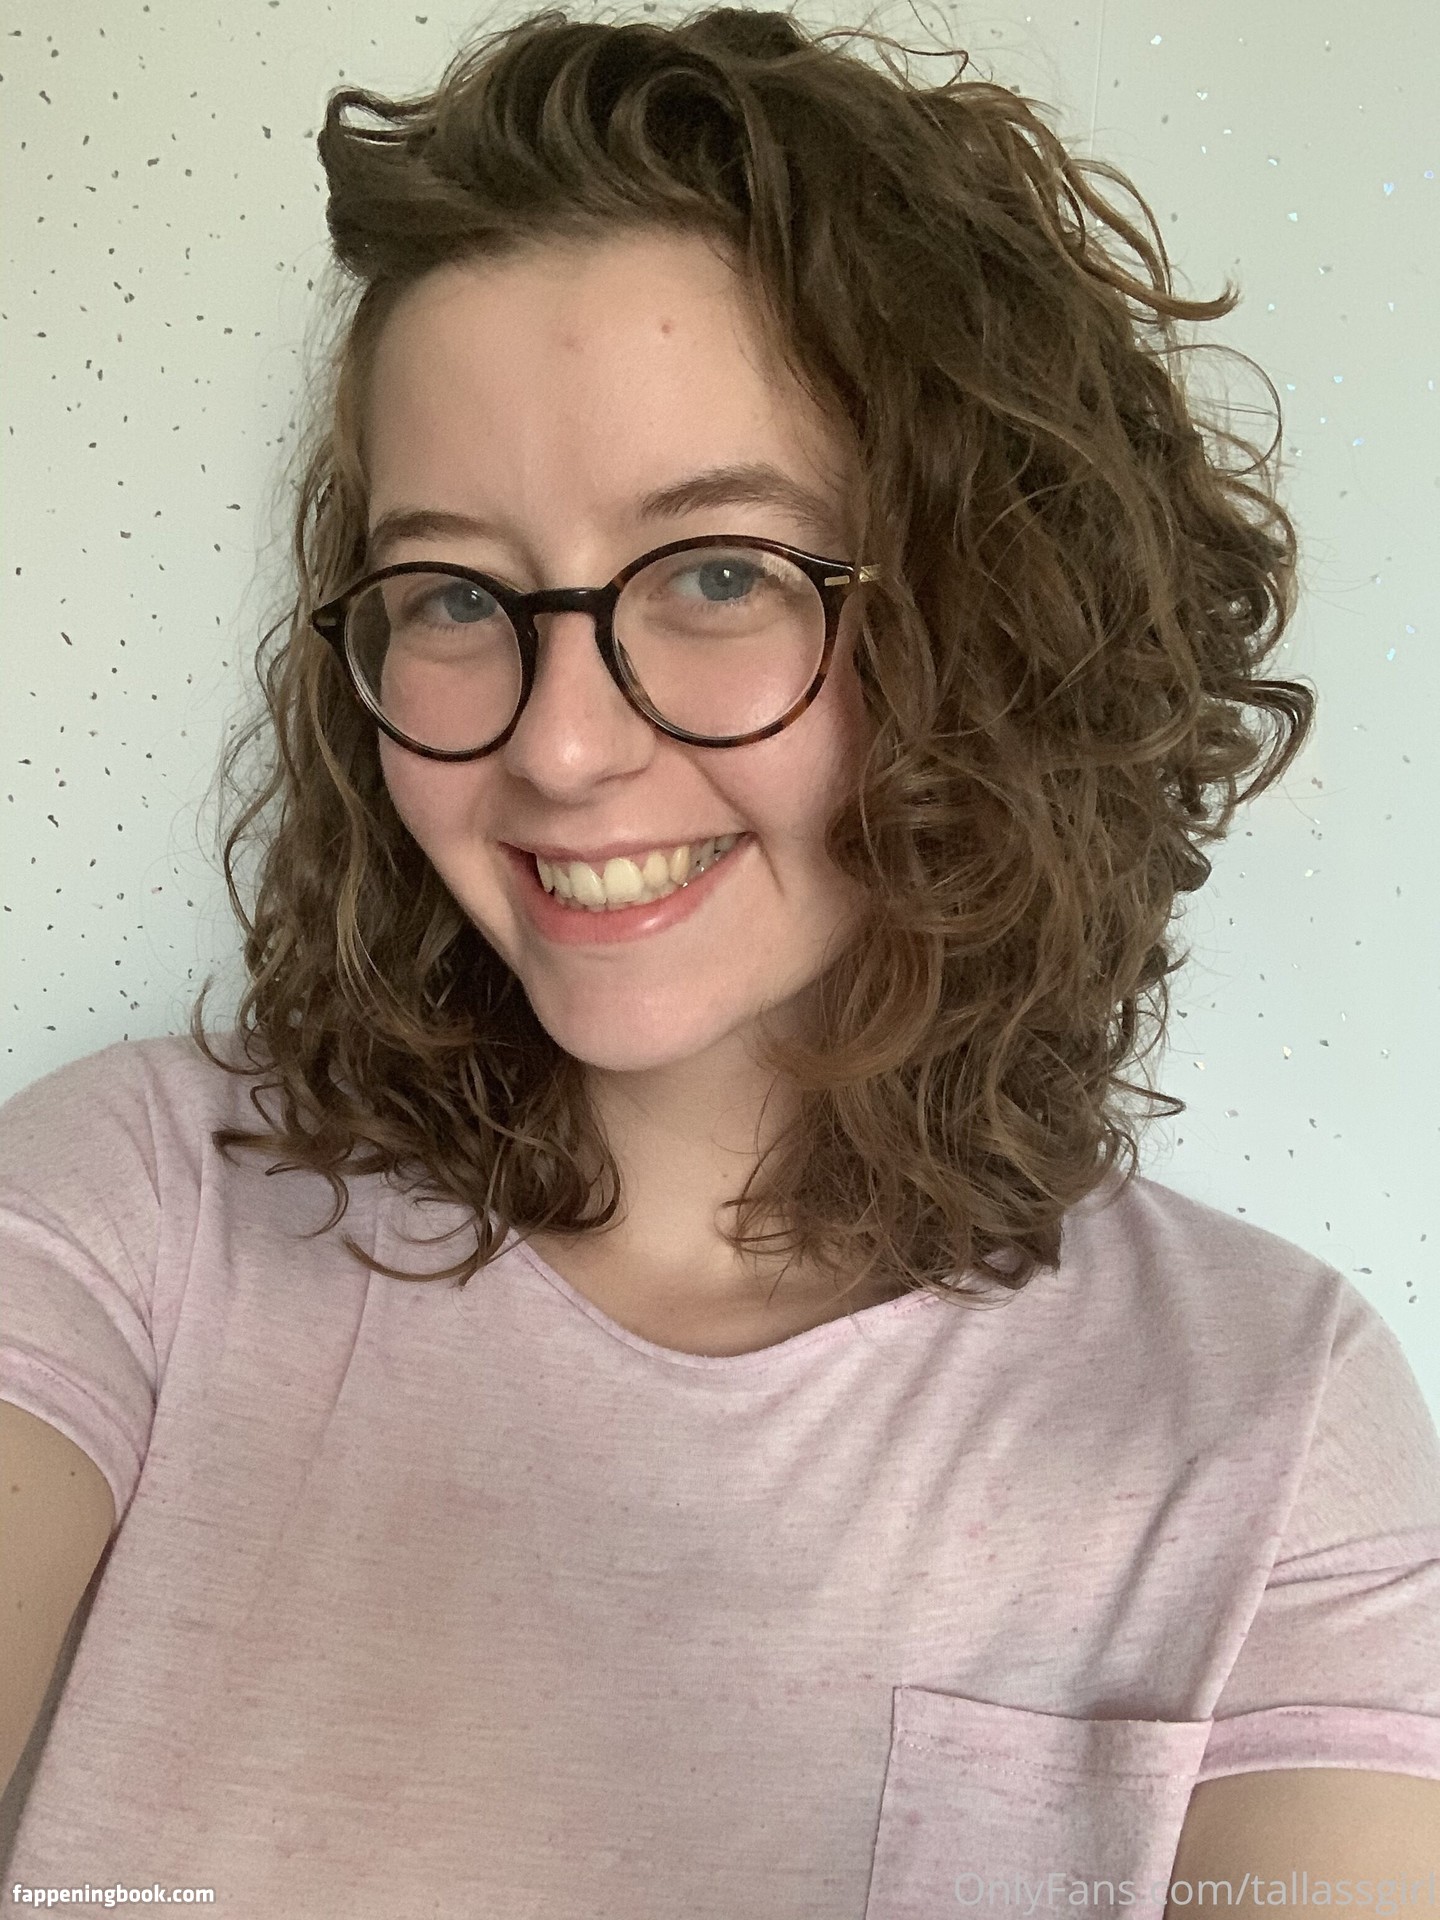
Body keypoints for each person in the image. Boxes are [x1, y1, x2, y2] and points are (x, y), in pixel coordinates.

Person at [2, 8, 1437, 1913]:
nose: (558, 745)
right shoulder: (136, 1214)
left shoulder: (1263, 1422)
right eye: (455, 594)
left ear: (998, 621)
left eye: (720, 573)